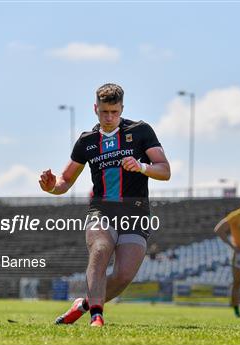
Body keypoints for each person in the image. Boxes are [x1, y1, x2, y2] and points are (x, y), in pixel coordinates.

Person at [39, 83, 170, 327]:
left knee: (123, 276)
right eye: (104, 112)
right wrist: (50, 186)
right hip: (102, 209)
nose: (109, 118)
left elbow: (164, 170)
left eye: (114, 112)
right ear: (95, 109)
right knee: (100, 249)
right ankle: (96, 316)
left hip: (136, 212)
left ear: (122, 109)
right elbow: (65, 181)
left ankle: (84, 304)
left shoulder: (141, 131)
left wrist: (142, 167)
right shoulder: (86, 142)